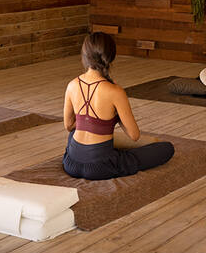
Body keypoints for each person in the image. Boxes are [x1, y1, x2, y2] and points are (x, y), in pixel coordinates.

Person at [62, 32, 174, 180]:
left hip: (71, 163)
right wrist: (115, 117)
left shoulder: (72, 85)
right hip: (101, 167)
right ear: (110, 57)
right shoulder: (115, 91)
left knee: (74, 135)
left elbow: (69, 126)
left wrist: (88, 122)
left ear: (84, 55)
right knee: (166, 148)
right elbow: (134, 135)